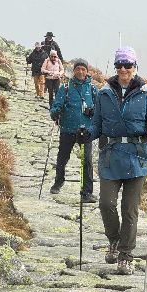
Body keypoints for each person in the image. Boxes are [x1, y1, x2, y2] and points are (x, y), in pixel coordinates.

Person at [77, 46, 147, 275]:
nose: (123, 69)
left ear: (135, 66)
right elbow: (97, 125)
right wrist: (86, 134)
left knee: (130, 210)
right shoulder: (104, 94)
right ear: (115, 67)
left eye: (128, 65)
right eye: (119, 65)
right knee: (106, 204)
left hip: (137, 157)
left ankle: (125, 255)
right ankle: (114, 239)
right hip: (110, 158)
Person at [49, 58, 98, 203]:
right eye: (78, 69)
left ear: (87, 72)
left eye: (83, 69)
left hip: (86, 132)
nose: (80, 71)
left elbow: (100, 110)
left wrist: (93, 111)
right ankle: (59, 182)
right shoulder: (65, 88)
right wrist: (55, 112)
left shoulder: (93, 89)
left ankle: (87, 193)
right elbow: (56, 105)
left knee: (87, 162)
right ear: (74, 71)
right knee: (62, 158)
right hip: (68, 130)